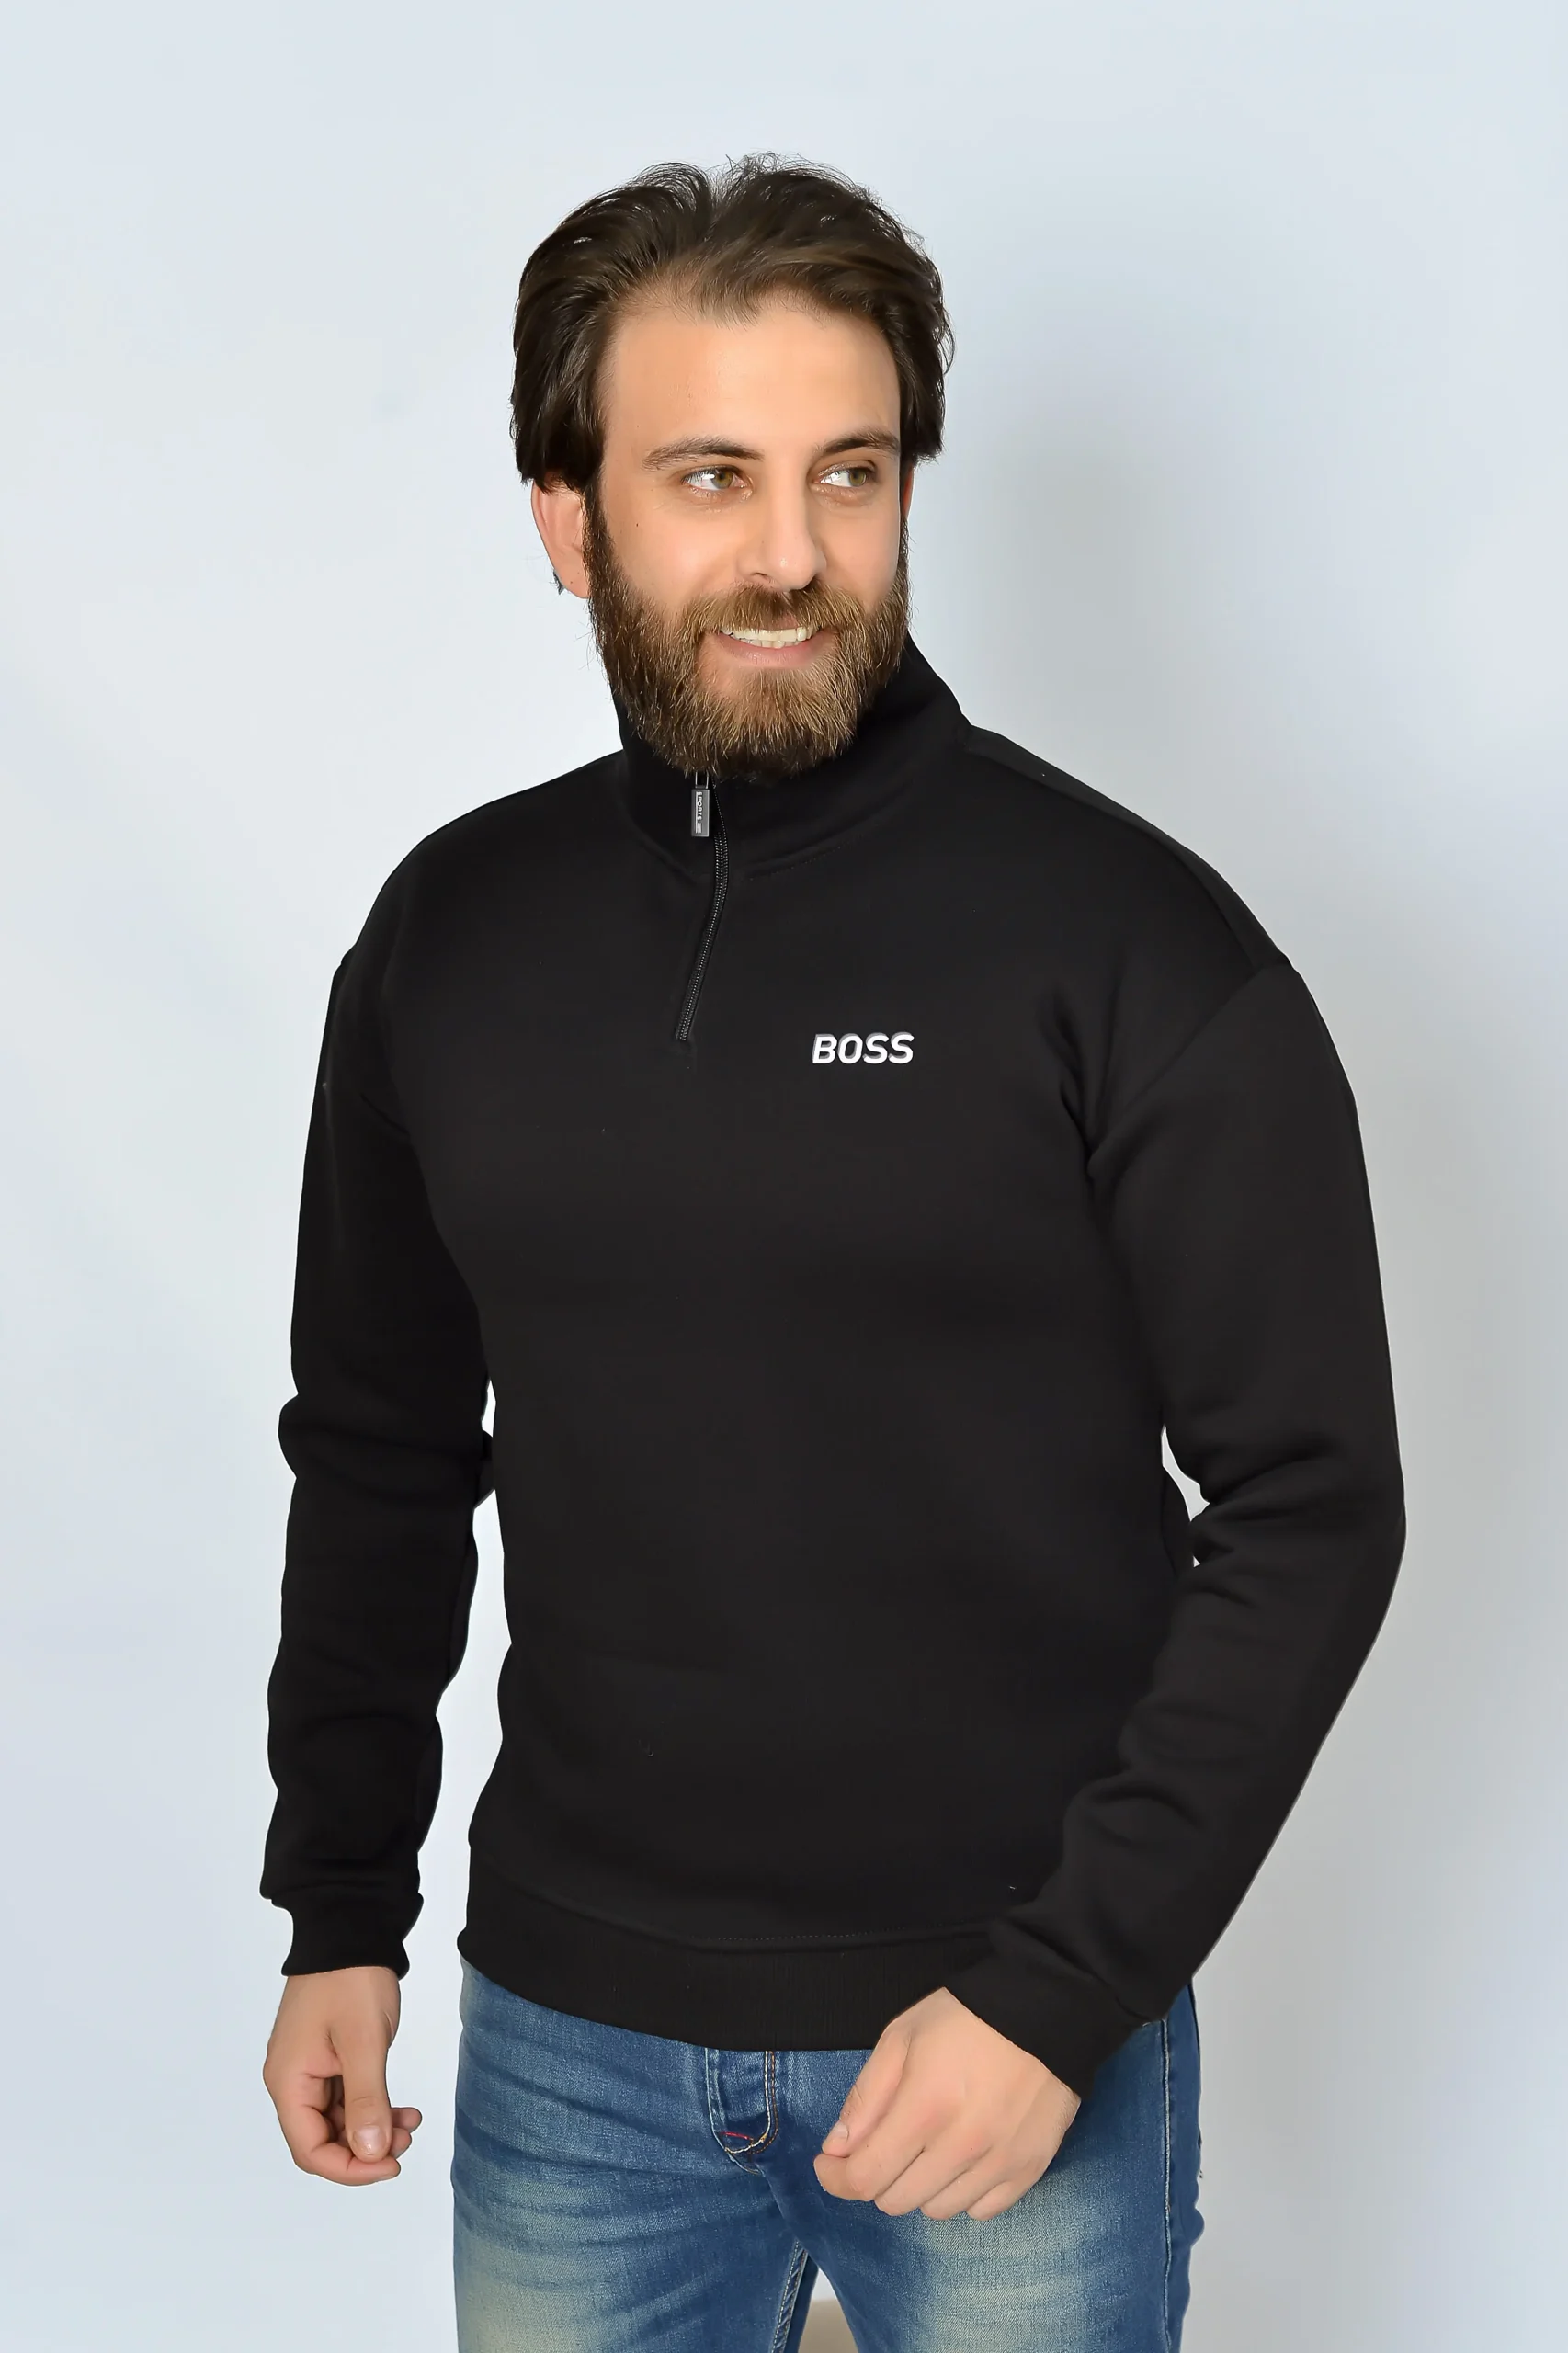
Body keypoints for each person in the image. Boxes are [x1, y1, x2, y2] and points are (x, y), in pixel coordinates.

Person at [259, 154, 1405, 2352]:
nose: (791, 552)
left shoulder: (1128, 941)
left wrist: (1056, 1990)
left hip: (1000, 2042)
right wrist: (341, 1902)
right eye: (710, 476)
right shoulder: (449, 937)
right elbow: (382, 1448)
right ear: (567, 517)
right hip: (566, 2048)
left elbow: (1309, 1500)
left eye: (850, 474)